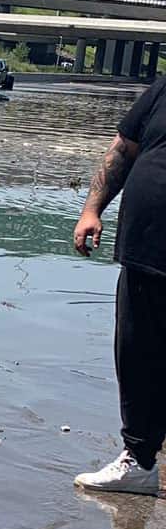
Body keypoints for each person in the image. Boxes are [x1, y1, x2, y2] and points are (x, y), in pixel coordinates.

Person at [74, 76, 166, 494]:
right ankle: (140, 461)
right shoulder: (164, 89)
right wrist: (91, 209)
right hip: (145, 245)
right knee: (135, 351)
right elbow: (123, 150)